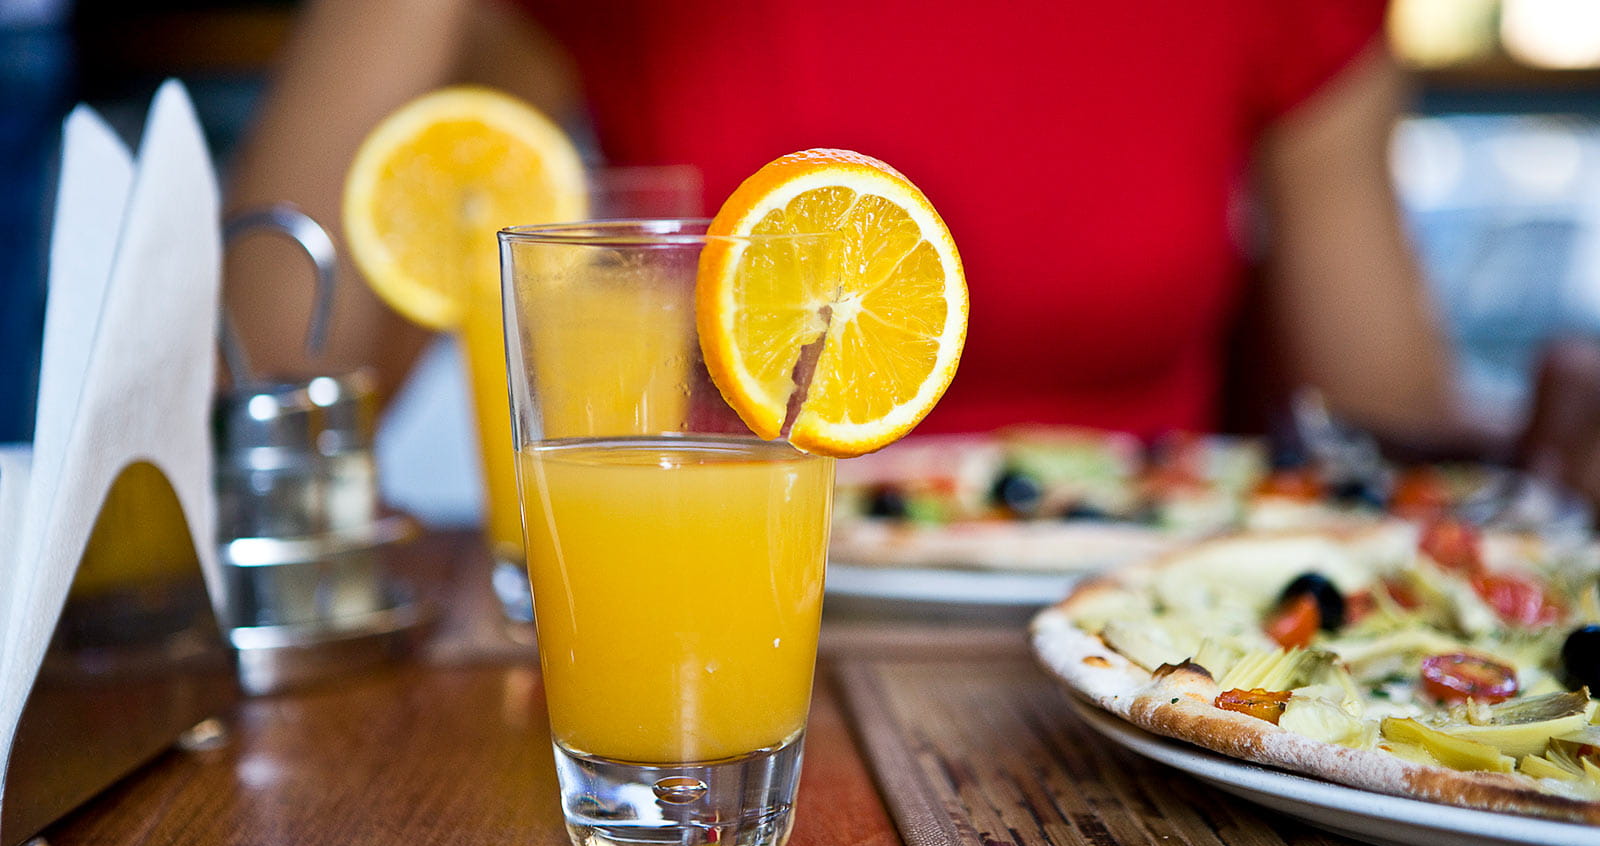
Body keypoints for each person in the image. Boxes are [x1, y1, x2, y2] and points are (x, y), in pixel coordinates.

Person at [226, 0, 1600, 501]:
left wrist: (1550, 435)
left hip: (1154, 664)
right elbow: (266, 379)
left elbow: (1393, 418)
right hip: (739, 674)